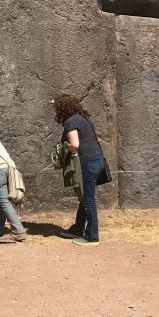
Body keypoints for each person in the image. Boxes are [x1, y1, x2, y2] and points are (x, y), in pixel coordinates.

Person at [53, 93, 104, 246]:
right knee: (85, 197)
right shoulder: (84, 119)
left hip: (87, 163)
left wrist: (63, 148)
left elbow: (75, 144)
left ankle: (92, 236)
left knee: (88, 199)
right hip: (98, 161)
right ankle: (77, 229)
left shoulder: (70, 122)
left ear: (62, 109)